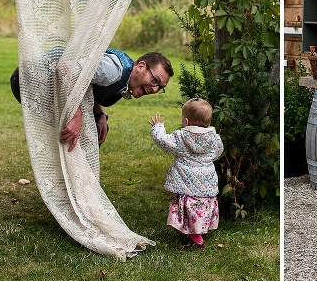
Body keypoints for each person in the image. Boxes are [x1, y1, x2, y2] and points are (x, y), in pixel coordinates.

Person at [11, 49, 173, 151]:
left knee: (92, 128)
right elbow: (66, 70)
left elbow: (89, 87)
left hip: (51, 84)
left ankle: (76, 182)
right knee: (79, 133)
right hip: (31, 79)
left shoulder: (126, 78)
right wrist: (76, 115)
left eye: (160, 87)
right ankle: (76, 185)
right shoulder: (113, 69)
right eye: (155, 81)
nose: (154, 89)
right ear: (141, 66)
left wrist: (100, 114)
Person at [149, 98, 223, 250]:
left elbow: (164, 142)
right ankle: (199, 229)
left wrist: (157, 128)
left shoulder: (181, 137)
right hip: (206, 181)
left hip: (185, 182)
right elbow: (218, 153)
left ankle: (196, 237)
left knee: (189, 205)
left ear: (186, 121)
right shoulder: (214, 138)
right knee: (201, 205)